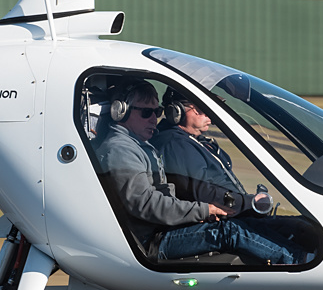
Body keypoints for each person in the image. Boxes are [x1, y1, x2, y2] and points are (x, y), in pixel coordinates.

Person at [93, 79, 299, 266]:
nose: (154, 119)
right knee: (232, 231)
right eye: (146, 112)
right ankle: (299, 263)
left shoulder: (141, 145)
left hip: (164, 230)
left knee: (249, 225)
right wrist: (204, 210)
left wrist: (196, 213)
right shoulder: (121, 150)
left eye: (157, 112)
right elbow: (146, 204)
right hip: (153, 241)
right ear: (120, 112)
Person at [152, 88, 310, 263]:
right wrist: (249, 203)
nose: (209, 116)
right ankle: (301, 262)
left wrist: (247, 204)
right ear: (176, 112)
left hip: (220, 216)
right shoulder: (174, 144)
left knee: (296, 226)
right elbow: (202, 193)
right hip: (189, 226)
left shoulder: (195, 141)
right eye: (202, 109)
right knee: (234, 230)